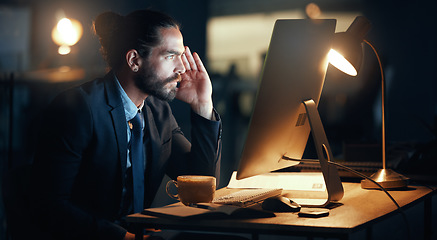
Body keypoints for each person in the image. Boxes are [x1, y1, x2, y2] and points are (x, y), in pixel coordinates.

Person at [29, 9, 222, 240]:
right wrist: (123, 237)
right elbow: (50, 207)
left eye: (181, 56)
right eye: (171, 56)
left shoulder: (158, 112)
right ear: (134, 61)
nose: (182, 68)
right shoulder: (79, 109)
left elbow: (202, 184)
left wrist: (202, 105)